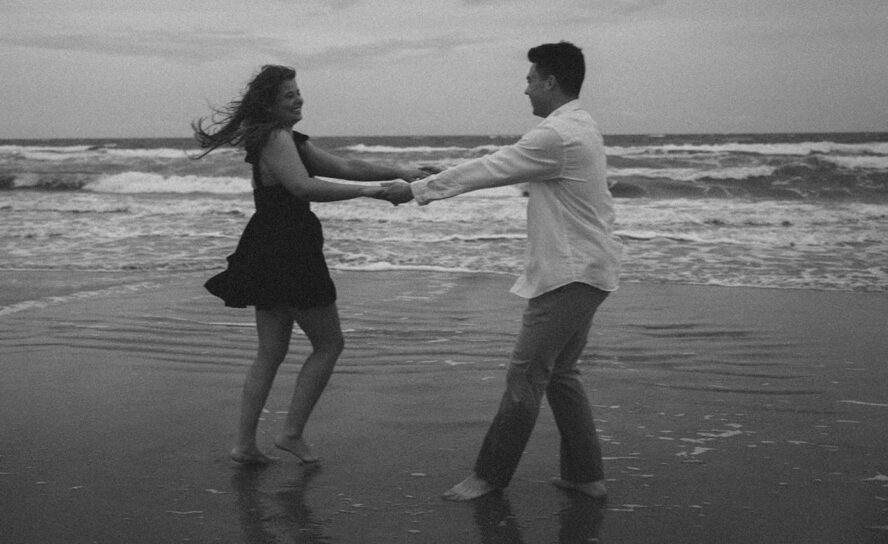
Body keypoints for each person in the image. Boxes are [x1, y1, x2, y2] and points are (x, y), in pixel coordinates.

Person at [383, 42, 621, 500]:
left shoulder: (557, 136)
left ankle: (489, 476)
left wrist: (416, 189)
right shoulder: (580, 126)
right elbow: (510, 166)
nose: (525, 87)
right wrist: (443, 175)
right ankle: (585, 476)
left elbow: (496, 166)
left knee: (525, 377)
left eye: (531, 79)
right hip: (591, 267)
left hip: (569, 274)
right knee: (562, 373)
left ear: (551, 81)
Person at [193, 64, 432, 466]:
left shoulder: (283, 138)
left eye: (298, 91)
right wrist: (374, 192)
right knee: (329, 344)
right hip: (290, 249)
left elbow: (343, 167)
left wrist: (401, 170)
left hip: (268, 245)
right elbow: (303, 187)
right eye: (289, 94)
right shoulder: (276, 137)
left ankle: (245, 444)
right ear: (270, 103)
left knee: (270, 351)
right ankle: (290, 434)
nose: (299, 98)